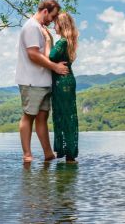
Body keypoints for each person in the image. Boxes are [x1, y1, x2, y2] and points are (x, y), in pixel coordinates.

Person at [15, 0, 69, 163]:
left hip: (43, 81)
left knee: (42, 118)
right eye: (52, 16)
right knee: (28, 116)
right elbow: (33, 54)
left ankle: (48, 154)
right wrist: (55, 67)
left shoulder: (40, 28)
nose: (53, 20)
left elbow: (46, 53)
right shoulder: (31, 27)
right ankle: (27, 155)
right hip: (31, 81)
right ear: (45, 11)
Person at [42, 12, 79, 163]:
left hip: (62, 83)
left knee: (62, 115)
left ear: (61, 25)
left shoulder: (62, 42)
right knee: (68, 115)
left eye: (55, 23)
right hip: (67, 81)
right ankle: (69, 153)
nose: (53, 26)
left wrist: (47, 40)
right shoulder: (69, 42)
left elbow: (49, 57)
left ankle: (66, 153)